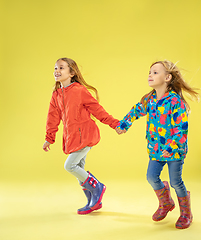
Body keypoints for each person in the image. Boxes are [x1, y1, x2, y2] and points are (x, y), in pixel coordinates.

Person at [115, 60, 199, 229]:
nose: (150, 75)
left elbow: (181, 129)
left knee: (176, 182)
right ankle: (166, 202)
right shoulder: (149, 99)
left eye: (155, 72)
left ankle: (185, 212)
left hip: (174, 151)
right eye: (150, 72)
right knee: (152, 177)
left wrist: (171, 148)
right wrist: (124, 124)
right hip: (155, 149)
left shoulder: (175, 101)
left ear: (167, 77)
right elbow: (136, 110)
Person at [43, 57, 119, 215]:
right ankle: (93, 202)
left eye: (61, 68)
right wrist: (49, 138)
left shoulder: (79, 90)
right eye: (55, 68)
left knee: (70, 166)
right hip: (72, 137)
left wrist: (115, 124)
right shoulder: (56, 95)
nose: (57, 71)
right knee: (79, 169)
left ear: (71, 73)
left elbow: (97, 110)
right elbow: (52, 118)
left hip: (85, 135)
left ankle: (98, 187)